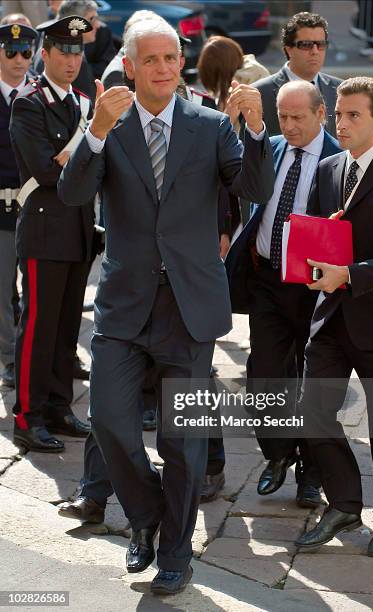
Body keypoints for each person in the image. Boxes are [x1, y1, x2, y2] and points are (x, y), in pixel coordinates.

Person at [58, 15, 274, 595]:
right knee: (107, 418)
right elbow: (73, 194)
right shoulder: (108, 121)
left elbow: (251, 189)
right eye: (149, 60)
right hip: (124, 306)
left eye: (171, 58)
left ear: (183, 63)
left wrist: (255, 130)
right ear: (128, 66)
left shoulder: (210, 125)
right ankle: (149, 516)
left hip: (191, 307)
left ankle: (176, 552)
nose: (161, 69)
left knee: (184, 440)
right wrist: (95, 132)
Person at [294, 77, 373, 558]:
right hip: (328, 319)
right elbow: (319, 235)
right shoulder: (326, 170)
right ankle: (344, 501)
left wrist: (348, 275)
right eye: (338, 114)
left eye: (352, 116)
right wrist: (308, 265)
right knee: (312, 411)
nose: (340, 123)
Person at [225, 80, 340, 508]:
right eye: (283, 117)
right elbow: (238, 189)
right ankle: (278, 454)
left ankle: (312, 473)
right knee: (264, 375)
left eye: (298, 118)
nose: (289, 126)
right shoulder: (268, 146)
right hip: (267, 280)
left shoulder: (338, 158)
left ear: (320, 114)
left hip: (314, 286)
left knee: (314, 383)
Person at [10, 15, 95, 453]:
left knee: (66, 328)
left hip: (78, 228)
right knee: (39, 326)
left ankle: (60, 407)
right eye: (63, 51)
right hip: (45, 228)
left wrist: (79, 153)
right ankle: (28, 415)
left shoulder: (82, 102)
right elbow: (44, 169)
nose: (71, 60)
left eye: (78, 52)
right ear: (45, 54)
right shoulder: (29, 102)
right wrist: (83, 147)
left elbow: (90, 166)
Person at [0, 22, 37, 388]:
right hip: (0, 211)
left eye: (27, 52)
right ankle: (10, 359)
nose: (20, 60)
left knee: (39, 292)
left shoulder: (41, 94)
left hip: (36, 209)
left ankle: (37, 356)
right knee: (1, 292)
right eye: (11, 51)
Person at [252, 12, 342, 138]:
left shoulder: (341, 90)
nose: (315, 51)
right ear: (289, 49)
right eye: (306, 45)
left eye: (321, 45)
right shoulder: (260, 92)